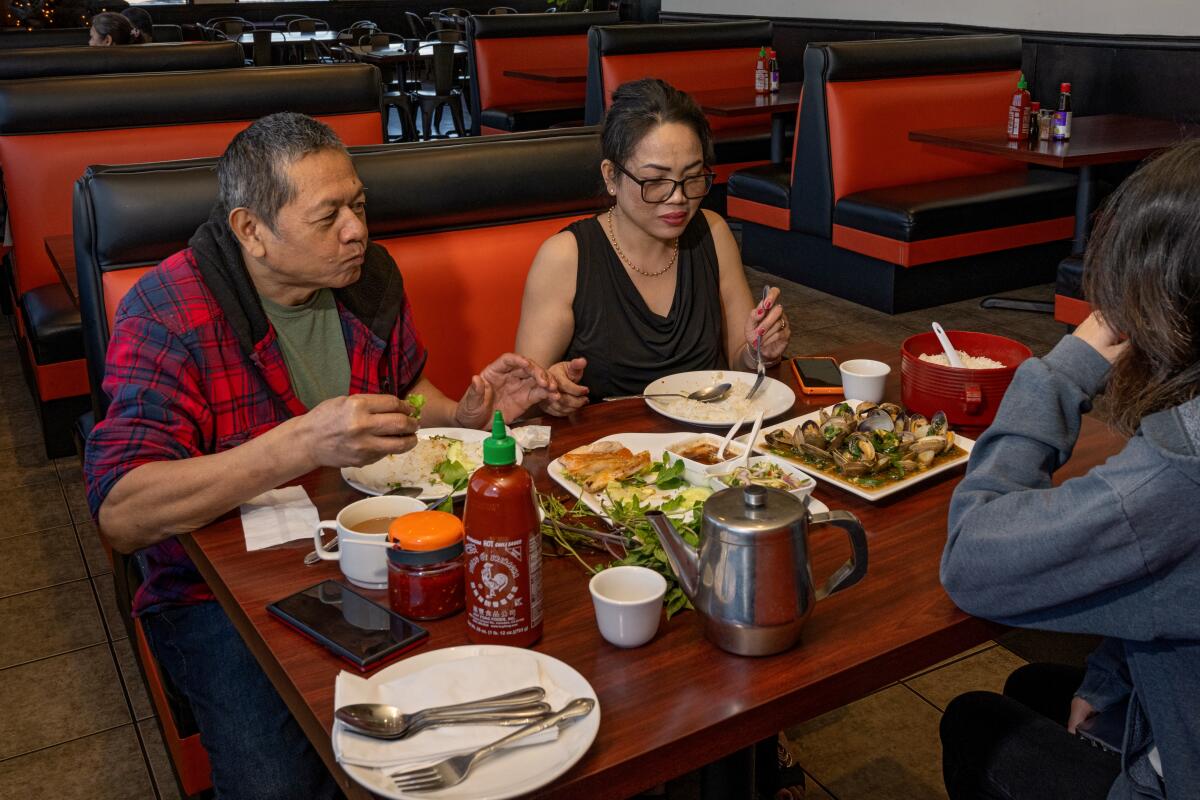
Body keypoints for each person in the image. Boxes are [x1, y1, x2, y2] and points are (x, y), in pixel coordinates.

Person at [84, 112, 556, 799]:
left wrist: (467, 412)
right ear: (252, 231)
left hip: (377, 555)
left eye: (358, 205)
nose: (357, 229)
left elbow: (407, 394)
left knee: (488, 714)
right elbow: (122, 512)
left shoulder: (367, 278)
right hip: (218, 596)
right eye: (328, 214)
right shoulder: (168, 311)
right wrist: (301, 441)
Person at [939, 139, 1200, 799]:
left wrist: (1060, 371)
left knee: (973, 721)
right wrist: (1111, 677)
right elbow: (1172, 583)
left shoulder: (1176, 474)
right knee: (1037, 685)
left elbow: (972, 560)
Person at [515, 78, 790, 415]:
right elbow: (526, 402)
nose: (678, 197)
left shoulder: (713, 233)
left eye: (692, 177)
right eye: (655, 181)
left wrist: (758, 351)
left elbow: (738, 362)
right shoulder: (566, 258)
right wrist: (551, 392)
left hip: (708, 447)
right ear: (611, 177)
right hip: (605, 458)